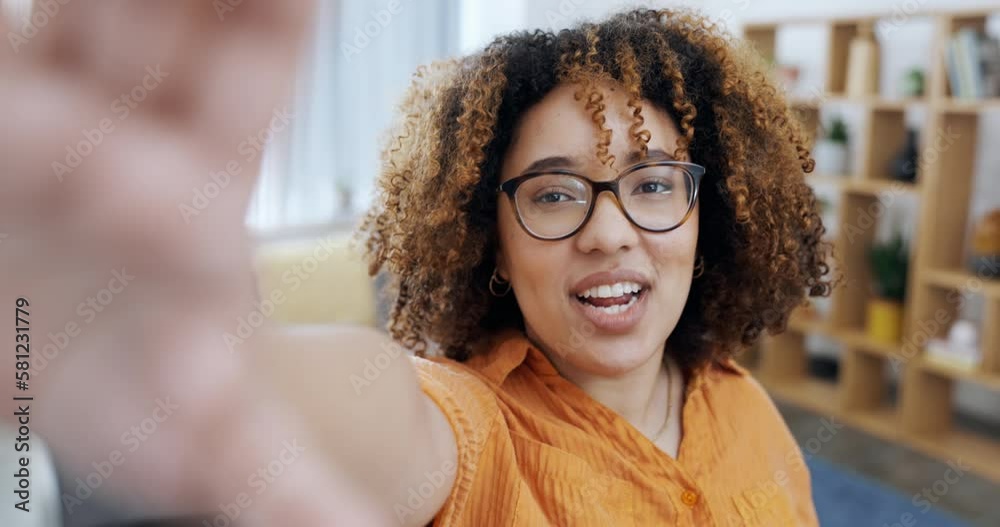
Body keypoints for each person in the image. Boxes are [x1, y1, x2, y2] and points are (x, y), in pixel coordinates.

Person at [1, 2, 832, 526]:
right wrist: (146, 341)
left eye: (652, 184)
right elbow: (378, 409)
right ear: (492, 243)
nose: (611, 231)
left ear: (705, 217)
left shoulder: (740, 400)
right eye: (551, 194)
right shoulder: (470, 427)